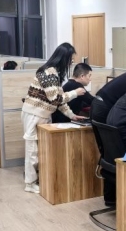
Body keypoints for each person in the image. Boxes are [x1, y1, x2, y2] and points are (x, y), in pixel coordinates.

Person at [21, 43, 86, 193]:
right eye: (70, 58)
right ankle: (29, 184)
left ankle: (38, 179)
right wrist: (75, 93)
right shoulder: (48, 73)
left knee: (41, 150)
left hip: (43, 115)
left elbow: (59, 101)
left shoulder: (55, 74)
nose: (71, 62)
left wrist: (72, 116)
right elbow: (55, 99)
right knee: (32, 151)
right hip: (34, 114)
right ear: (64, 57)